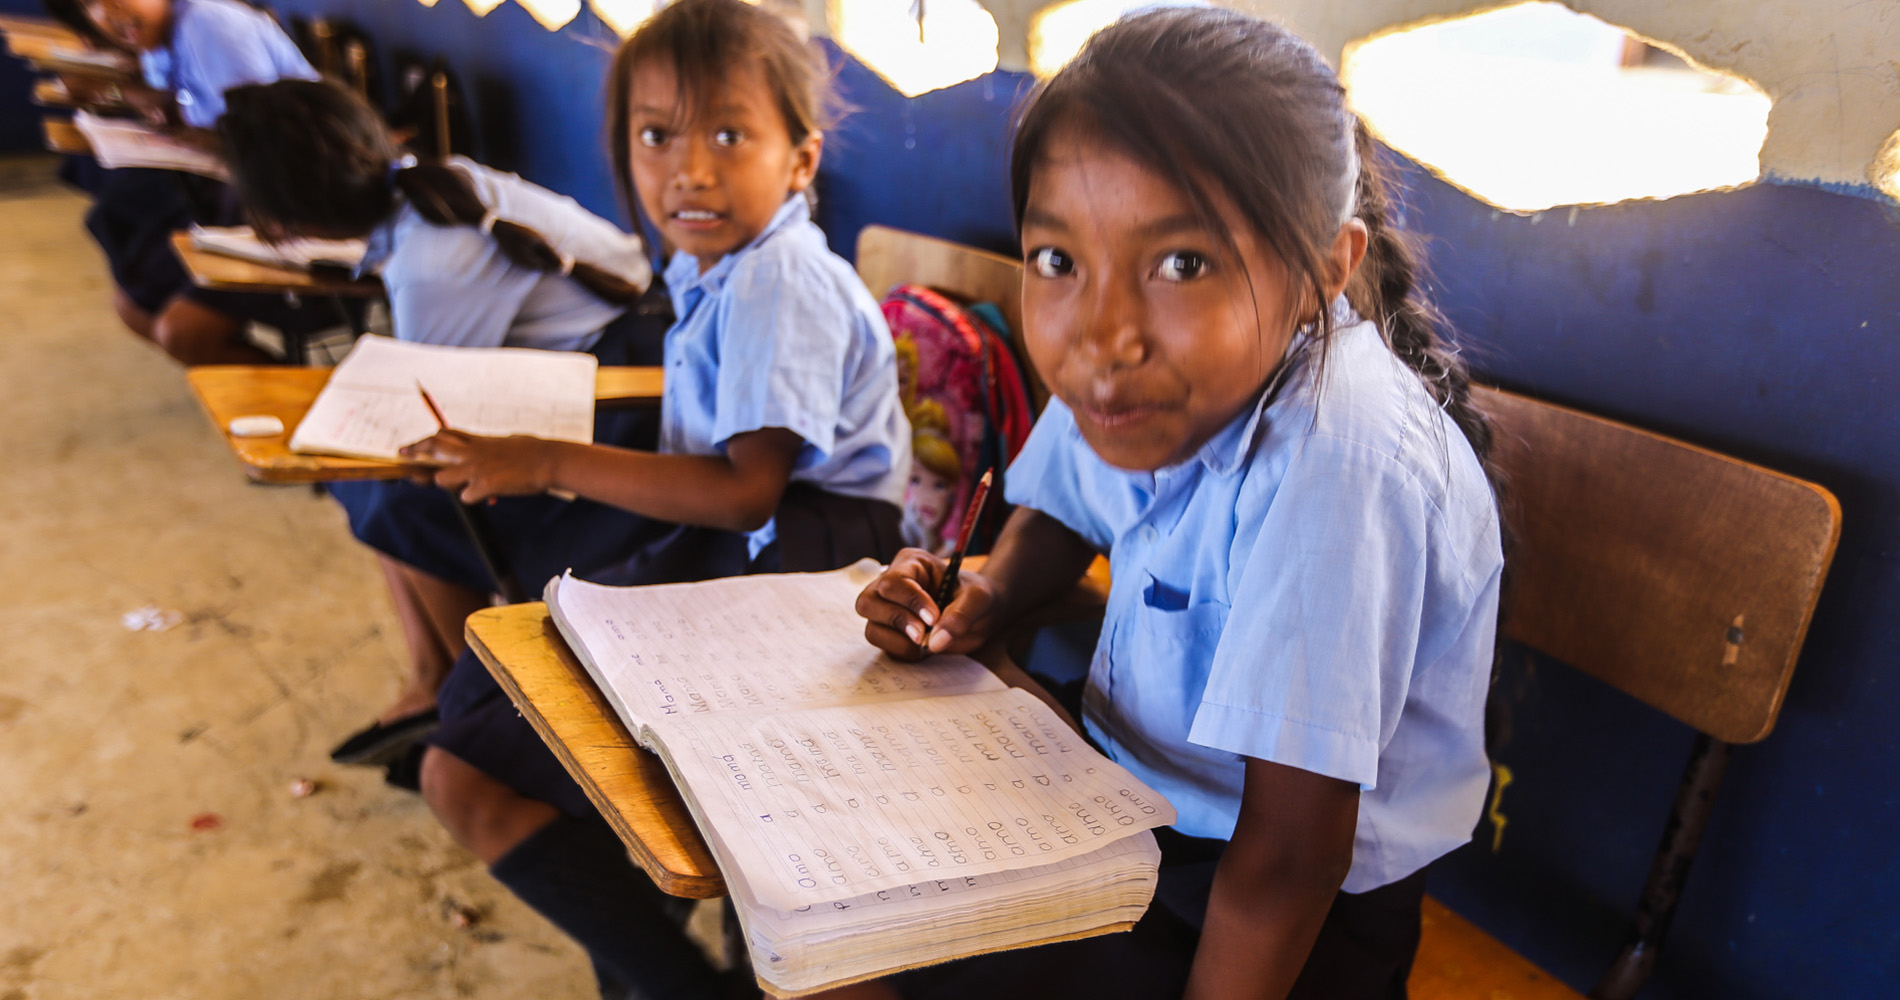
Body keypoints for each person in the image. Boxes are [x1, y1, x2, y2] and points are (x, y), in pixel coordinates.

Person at [848, 8, 1503, 1000]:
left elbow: (1289, 859)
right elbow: (1064, 512)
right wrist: (982, 594)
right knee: (832, 913)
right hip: (1133, 798)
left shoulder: (1339, 461)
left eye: (1181, 264)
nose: (1102, 334)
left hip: (1283, 918)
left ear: (1325, 266)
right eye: (1058, 261)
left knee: (852, 964)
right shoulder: (1135, 378)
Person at [399, 1, 910, 996]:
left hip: (812, 560)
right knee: (489, 718)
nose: (690, 169)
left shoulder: (778, 281)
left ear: (799, 160)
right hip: (744, 538)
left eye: (730, 134)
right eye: (655, 135)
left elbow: (746, 485)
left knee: (476, 758)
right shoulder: (719, 263)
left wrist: (542, 458)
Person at [217, 78, 658, 771]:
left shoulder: (432, 260)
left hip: (626, 400)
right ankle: (435, 678)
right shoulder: (431, 192)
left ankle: (481, 704)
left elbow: (421, 414)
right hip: (577, 372)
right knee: (364, 482)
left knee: (405, 494)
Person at [69, 0, 324, 364]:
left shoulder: (211, 23)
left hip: (294, 203)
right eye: (90, 5)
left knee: (185, 332)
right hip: (230, 195)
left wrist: (193, 130)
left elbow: (260, 134)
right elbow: (183, 101)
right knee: (132, 304)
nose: (106, 14)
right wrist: (147, 101)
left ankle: (306, 415)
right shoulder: (158, 33)